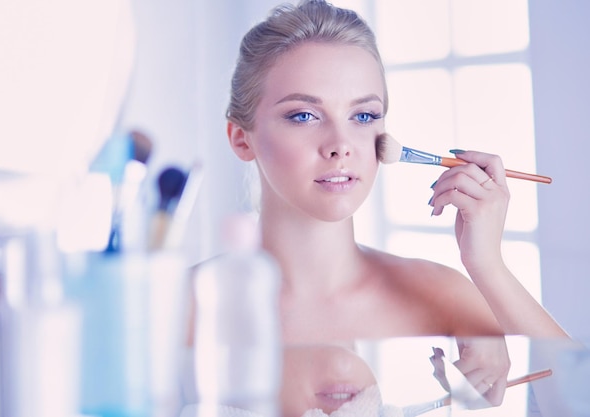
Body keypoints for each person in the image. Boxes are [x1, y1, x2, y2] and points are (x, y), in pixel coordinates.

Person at [221, 0, 570, 408]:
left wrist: (489, 267)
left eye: (364, 116)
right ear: (241, 138)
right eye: (303, 116)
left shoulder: (443, 297)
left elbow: (578, 402)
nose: (340, 146)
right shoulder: (188, 305)